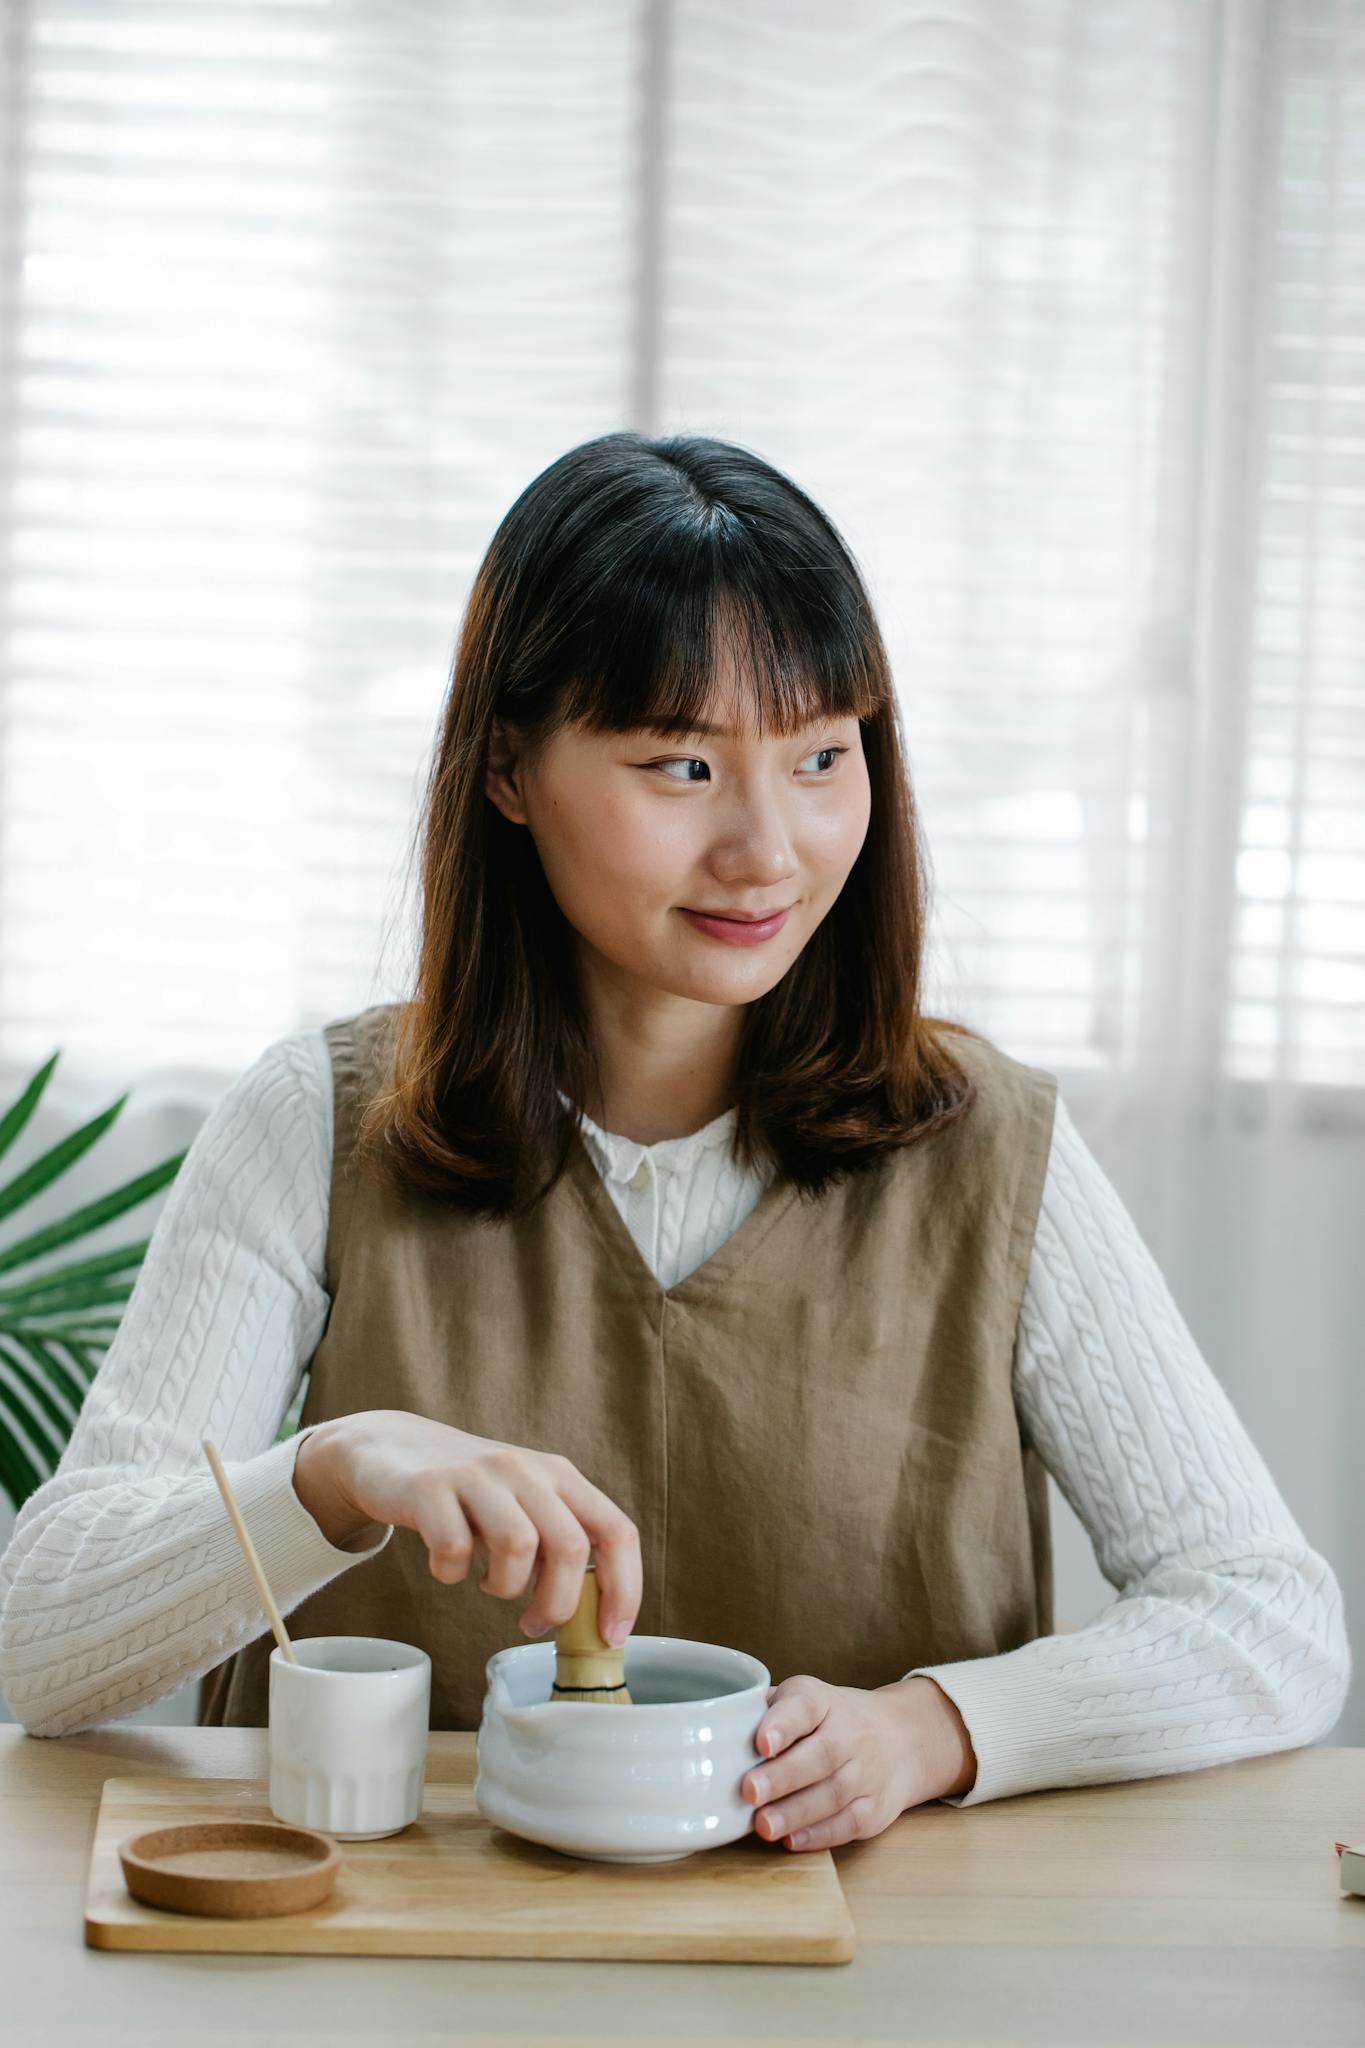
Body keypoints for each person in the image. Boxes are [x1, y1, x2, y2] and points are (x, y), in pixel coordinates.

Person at [0, 433, 1349, 1855]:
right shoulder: (320, 1118)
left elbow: (1266, 1620)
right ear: (508, 770)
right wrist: (333, 1471)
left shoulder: (986, 1144)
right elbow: (42, 1650)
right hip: (411, 1974)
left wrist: (935, 1728)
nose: (767, 848)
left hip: (882, 1979)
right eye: (682, 765)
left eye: (824, 754)